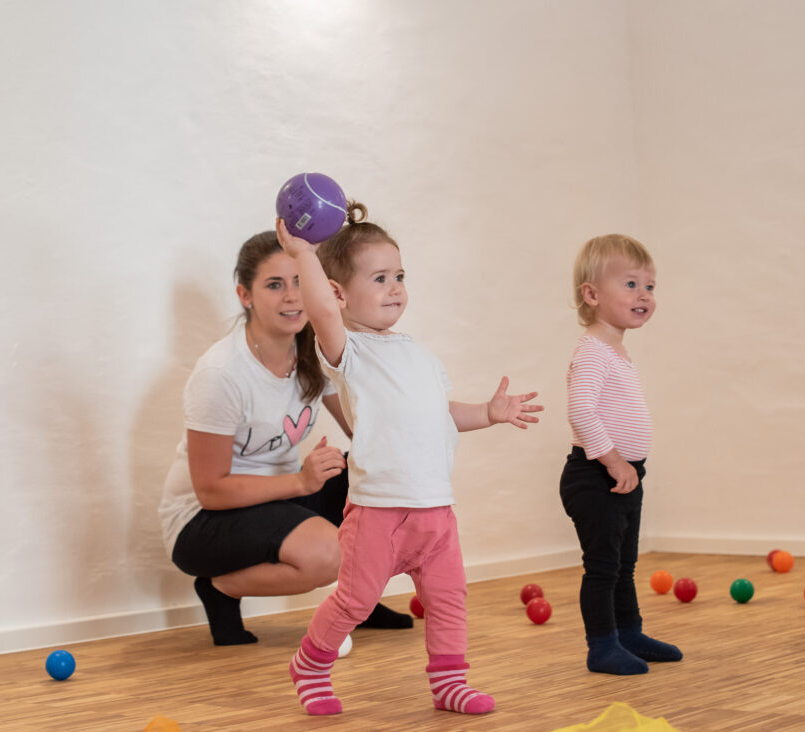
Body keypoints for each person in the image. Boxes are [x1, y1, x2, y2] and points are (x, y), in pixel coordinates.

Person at [276, 204, 543, 716]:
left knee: (449, 599)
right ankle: (310, 664)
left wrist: (487, 413)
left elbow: (440, 415)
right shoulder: (349, 350)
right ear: (338, 292)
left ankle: (449, 683)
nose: (395, 287)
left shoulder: (420, 354)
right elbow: (320, 312)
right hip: (379, 512)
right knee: (354, 602)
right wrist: (304, 256)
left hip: (435, 511)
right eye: (379, 278)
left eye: (399, 276)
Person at [158, 231, 412, 647]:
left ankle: (358, 600)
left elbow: (359, 425)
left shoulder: (311, 350)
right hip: (202, 522)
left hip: (277, 501)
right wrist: (302, 482)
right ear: (245, 294)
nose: (293, 297)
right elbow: (209, 491)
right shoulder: (220, 375)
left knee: (384, 469)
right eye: (275, 285)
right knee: (330, 553)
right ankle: (220, 588)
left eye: (298, 281)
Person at [560, 234, 682, 675]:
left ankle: (628, 633)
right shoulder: (593, 352)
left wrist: (625, 467)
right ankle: (602, 645)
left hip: (625, 475)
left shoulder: (617, 351)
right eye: (631, 284)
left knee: (624, 564)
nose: (644, 295)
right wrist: (613, 460)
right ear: (591, 295)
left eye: (650, 286)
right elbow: (581, 410)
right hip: (595, 476)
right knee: (603, 567)